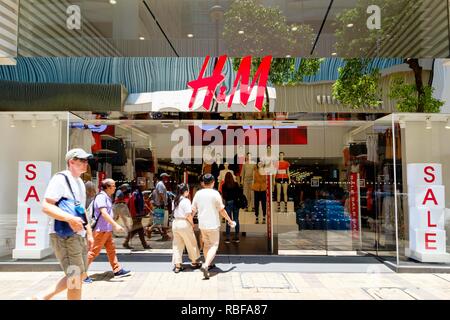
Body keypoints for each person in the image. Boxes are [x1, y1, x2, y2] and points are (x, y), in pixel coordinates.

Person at [37, 148, 94, 300]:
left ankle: (42, 297)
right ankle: (42, 297)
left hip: (77, 235)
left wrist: (89, 233)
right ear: (71, 162)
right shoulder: (60, 179)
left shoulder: (80, 182)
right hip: (65, 235)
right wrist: (70, 219)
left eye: (86, 160)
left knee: (80, 275)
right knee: (75, 277)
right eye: (82, 160)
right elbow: (46, 206)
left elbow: (81, 211)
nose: (85, 163)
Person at [85, 179, 131, 282]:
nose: (115, 188)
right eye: (113, 186)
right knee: (92, 252)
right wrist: (115, 225)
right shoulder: (101, 197)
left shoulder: (106, 197)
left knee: (111, 250)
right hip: (101, 230)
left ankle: (117, 270)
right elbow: (104, 213)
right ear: (108, 187)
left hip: (106, 230)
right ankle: (80, 274)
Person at [192, 174, 235, 280]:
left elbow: (193, 210)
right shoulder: (215, 194)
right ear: (213, 182)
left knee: (206, 244)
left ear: (203, 183)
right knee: (214, 245)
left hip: (202, 224)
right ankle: (206, 265)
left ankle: (208, 264)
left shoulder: (198, 193)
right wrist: (230, 221)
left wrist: (189, 222)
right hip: (213, 224)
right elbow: (221, 210)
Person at [171, 183, 202, 273]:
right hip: (184, 223)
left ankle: (177, 266)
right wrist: (192, 224)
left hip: (175, 223)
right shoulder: (186, 201)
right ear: (185, 191)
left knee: (177, 245)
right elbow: (188, 215)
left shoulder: (174, 200)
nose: (188, 192)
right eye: (188, 190)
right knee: (191, 242)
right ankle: (194, 262)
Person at [123, 182, 151, 250]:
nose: (144, 187)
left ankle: (126, 242)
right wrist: (138, 213)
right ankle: (144, 244)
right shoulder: (136, 193)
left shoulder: (138, 193)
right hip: (136, 214)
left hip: (137, 214)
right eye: (142, 186)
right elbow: (134, 204)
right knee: (138, 229)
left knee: (138, 229)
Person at [221, 172, 241, 243]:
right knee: (236, 220)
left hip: (228, 203)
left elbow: (224, 196)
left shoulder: (224, 185)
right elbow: (239, 193)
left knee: (229, 220)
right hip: (236, 203)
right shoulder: (235, 184)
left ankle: (227, 238)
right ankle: (237, 237)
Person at [151, 173, 170, 240]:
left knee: (162, 221)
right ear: (163, 177)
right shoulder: (160, 184)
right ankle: (149, 229)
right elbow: (161, 194)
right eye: (166, 177)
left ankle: (164, 235)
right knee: (159, 221)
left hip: (160, 204)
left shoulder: (160, 184)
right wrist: (164, 204)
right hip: (160, 205)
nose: (167, 179)